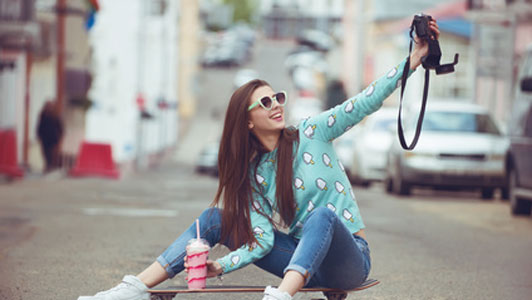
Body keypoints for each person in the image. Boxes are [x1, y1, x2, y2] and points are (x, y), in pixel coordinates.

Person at [77, 20, 439, 300]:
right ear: (247, 121)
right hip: (300, 261)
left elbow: (364, 101)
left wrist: (413, 59)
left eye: (277, 97)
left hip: (348, 262)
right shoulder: (253, 174)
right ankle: (135, 287)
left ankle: (281, 295)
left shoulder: (312, 132)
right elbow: (262, 240)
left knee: (322, 216)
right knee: (214, 218)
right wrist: (220, 266)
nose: (276, 104)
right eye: (265, 102)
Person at [37, 101, 64, 172]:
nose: (49, 108)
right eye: (47, 106)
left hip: (54, 139)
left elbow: (60, 128)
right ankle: (48, 166)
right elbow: (40, 127)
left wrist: (60, 138)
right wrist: (39, 136)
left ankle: (52, 167)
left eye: (50, 106)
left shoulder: (56, 116)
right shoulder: (43, 115)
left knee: (53, 155)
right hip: (45, 139)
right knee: (46, 154)